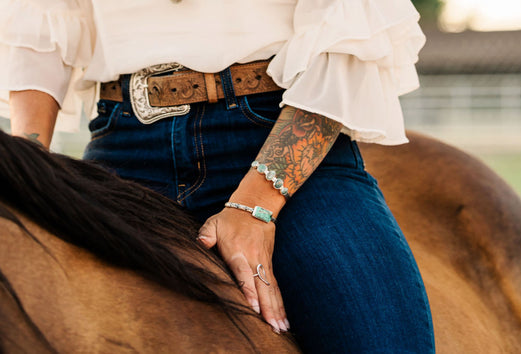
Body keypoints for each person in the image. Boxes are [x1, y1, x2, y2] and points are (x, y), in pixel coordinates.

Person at [1, 0, 435, 352]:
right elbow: (38, 25)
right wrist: (31, 175)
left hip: (273, 136)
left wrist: (255, 206)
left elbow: (349, 33)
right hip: (122, 148)